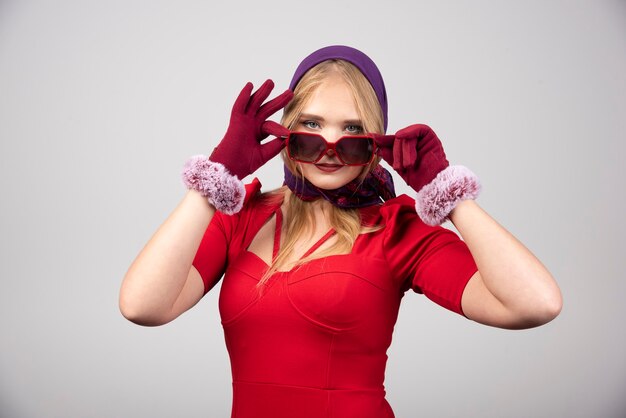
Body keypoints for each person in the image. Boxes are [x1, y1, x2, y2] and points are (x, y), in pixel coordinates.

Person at [119, 45, 562, 418]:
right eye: (311, 126)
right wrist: (214, 180)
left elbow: (535, 304)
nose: (330, 148)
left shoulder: (398, 230)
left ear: (376, 140)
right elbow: (143, 306)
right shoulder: (243, 215)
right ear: (285, 130)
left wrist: (447, 193)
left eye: (352, 131)